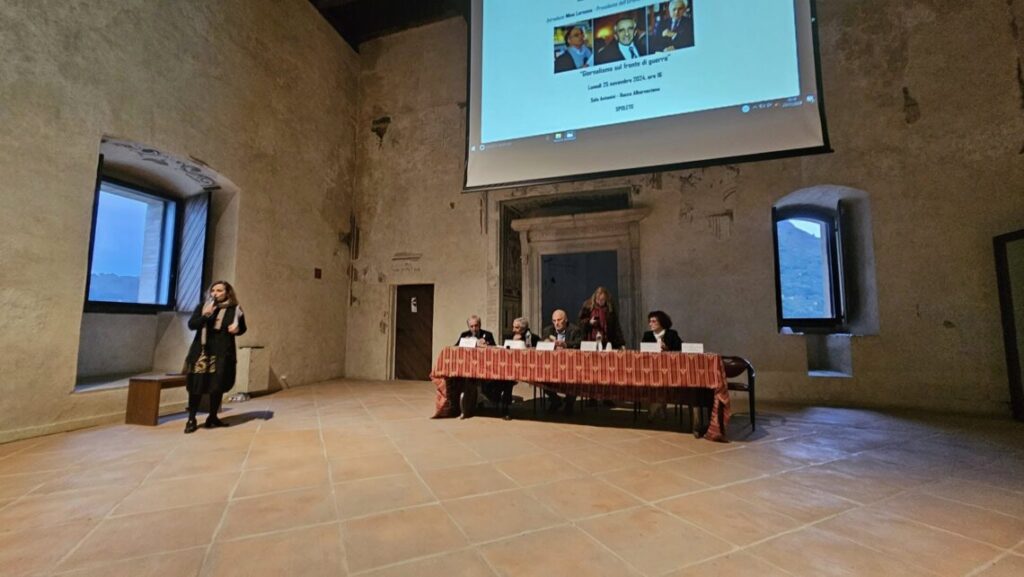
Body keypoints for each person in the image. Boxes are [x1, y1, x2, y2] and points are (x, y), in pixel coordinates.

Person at [183, 281, 247, 434]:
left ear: (227, 293)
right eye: (213, 290)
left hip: (223, 352)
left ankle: (212, 417)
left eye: (219, 290)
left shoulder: (234, 309)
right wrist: (206, 315)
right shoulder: (203, 307)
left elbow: (243, 328)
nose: (215, 293)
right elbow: (192, 325)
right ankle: (191, 419)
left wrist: (237, 329)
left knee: (217, 385)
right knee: (197, 386)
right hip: (203, 351)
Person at [641, 310, 682, 421]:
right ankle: (660, 405)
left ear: (662, 322)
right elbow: (643, 352)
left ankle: (656, 406)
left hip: (670, 369)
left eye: (653, 321)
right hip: (651, 369)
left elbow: (680, 350)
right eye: (649, 321)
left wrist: (667, 349)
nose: (650, 324)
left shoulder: (672, 334)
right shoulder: (647, 335)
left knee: (664, 381)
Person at [541, 309, 582, 413]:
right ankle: (555, 400)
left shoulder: (575, 330)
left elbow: (579, 343)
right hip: (552, 365)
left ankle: (569, 404)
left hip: (570, 365)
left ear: (566, 320)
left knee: (575, 379)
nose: (556, 323)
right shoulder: (547, 330)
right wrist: (547, 343)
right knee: (541, 376)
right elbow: (541, 345)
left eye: (559, 320)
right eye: (554, 320)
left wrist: (565, 344)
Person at [453, 315, 494, 419]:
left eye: (476, 326)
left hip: (484, 367)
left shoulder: (488, 335)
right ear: (468, 326)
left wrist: (486, 344)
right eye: (471, 326)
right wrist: (466, 342)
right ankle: (465, 407)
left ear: (480, 325)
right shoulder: (464, 335)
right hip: (468, 366)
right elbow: (456, 347)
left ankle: (479, 400)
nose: (474, 328)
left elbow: (494, 349)